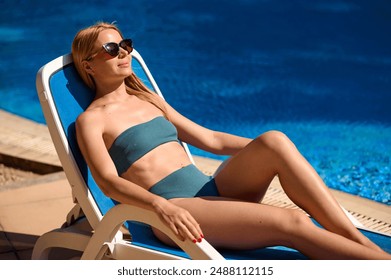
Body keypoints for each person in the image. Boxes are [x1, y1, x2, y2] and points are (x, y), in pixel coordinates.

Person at [72, 22, 390, 260]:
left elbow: (209, 138)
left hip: (210, 193)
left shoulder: (148, 99)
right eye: (112, 49)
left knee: (275, 141)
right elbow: (109, 182)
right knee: (293, 222)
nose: (124, 52)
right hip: (175, 212)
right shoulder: (92, 120)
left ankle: (358, 242)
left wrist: (275, 153)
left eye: (124, 44)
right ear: (89, 64)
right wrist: (161, 206)